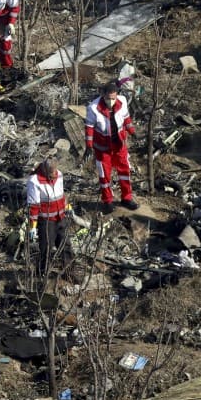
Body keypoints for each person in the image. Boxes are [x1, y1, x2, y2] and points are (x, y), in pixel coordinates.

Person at [85, 82, 138, 214]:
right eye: (109, 98)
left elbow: (126, 119)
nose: (111, 101)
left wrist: (133, 132)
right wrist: (88, 147)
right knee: (105, 176)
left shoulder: (122, 101)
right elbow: (89, 129)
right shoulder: (93, 108)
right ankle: (107, 201)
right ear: (103, 95)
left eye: (113, 98)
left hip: (119, 145)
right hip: (103, 148)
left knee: (125, 172)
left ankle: (126, 198)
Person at [26, 157, 73, 275]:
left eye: (55, 172)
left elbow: (61, 195)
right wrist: (32, 226)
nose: (54, 175)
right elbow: (34, 206)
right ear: (45, 170)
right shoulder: (34, 181)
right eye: (51, 173)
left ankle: (69, 273)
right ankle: (42, 274)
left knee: (66, 246)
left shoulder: (59, 175)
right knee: (46, 248)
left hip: (61, 218)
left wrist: (67, 207)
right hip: (46, 222)